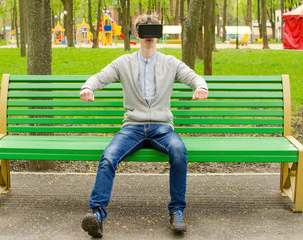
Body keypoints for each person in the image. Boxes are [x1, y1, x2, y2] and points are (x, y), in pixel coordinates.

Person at [79, 13, 208, 238]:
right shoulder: (124, 62)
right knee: (109, 156)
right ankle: (97, 215)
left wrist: (201, 87)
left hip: (162, 127)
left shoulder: (170, 62)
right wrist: (88, 87)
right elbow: (100, 77)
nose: (149, 36)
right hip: (132, 127)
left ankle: (177, 211)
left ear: (158, 34)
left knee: (178, 151)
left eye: (154, 30)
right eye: (144, 30)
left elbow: (193, 77)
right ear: (137, 34)